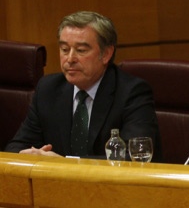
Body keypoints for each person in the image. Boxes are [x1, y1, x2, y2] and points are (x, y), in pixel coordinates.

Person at [5, 11, 162, 161]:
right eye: (64, 49)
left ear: (106, 54)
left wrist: (65, 163)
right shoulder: (48, 89)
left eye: (81, 50)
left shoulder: (132, 93)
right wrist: (31, 155)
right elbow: (15, 147)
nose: (70, 58)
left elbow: (133, 157)